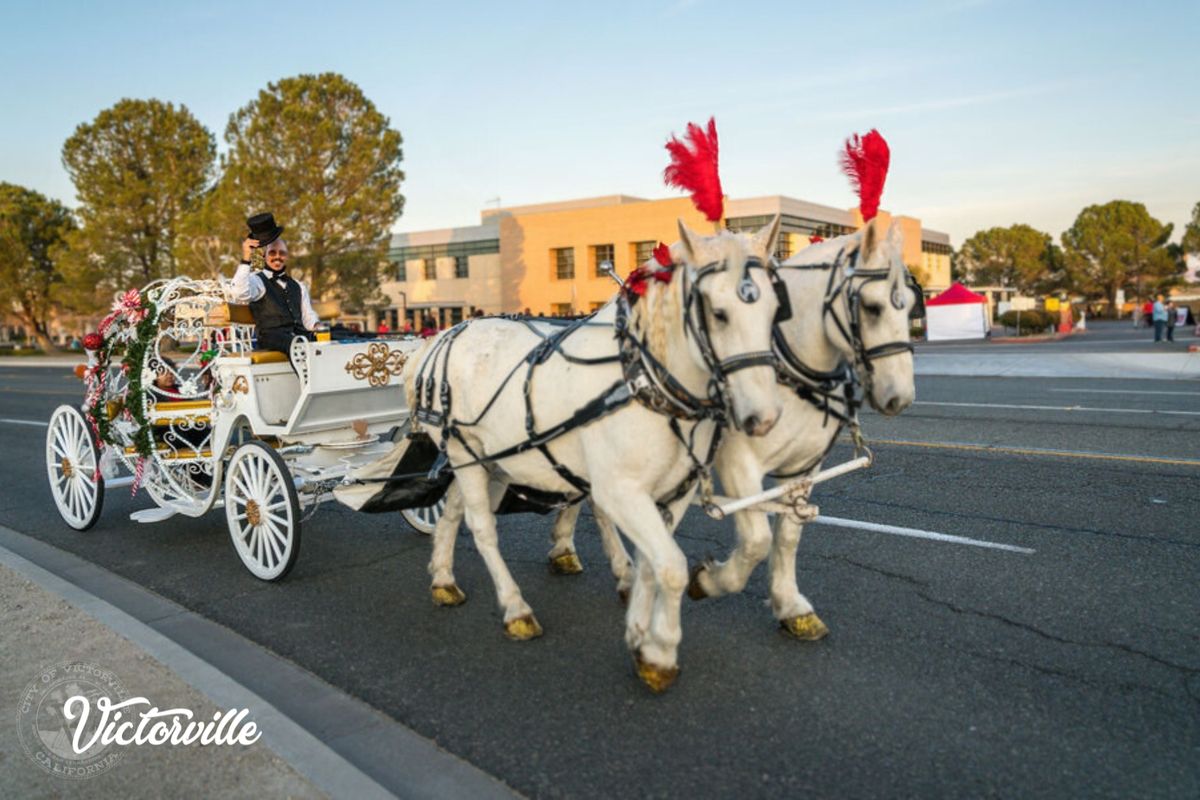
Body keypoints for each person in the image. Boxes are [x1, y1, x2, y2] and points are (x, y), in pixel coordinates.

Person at [228, 212, 319, 352]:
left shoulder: (299, 286)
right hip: (271, 338)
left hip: (298, 336)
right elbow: (239, 293)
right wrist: (246, 258)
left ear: (287, 256)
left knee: (342, 335)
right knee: (297, 344)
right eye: (272, 253)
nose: (278, 257)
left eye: (282, 253)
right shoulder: (257, 281)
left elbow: (308, 318)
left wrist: (318, 327)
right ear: (264, 256)